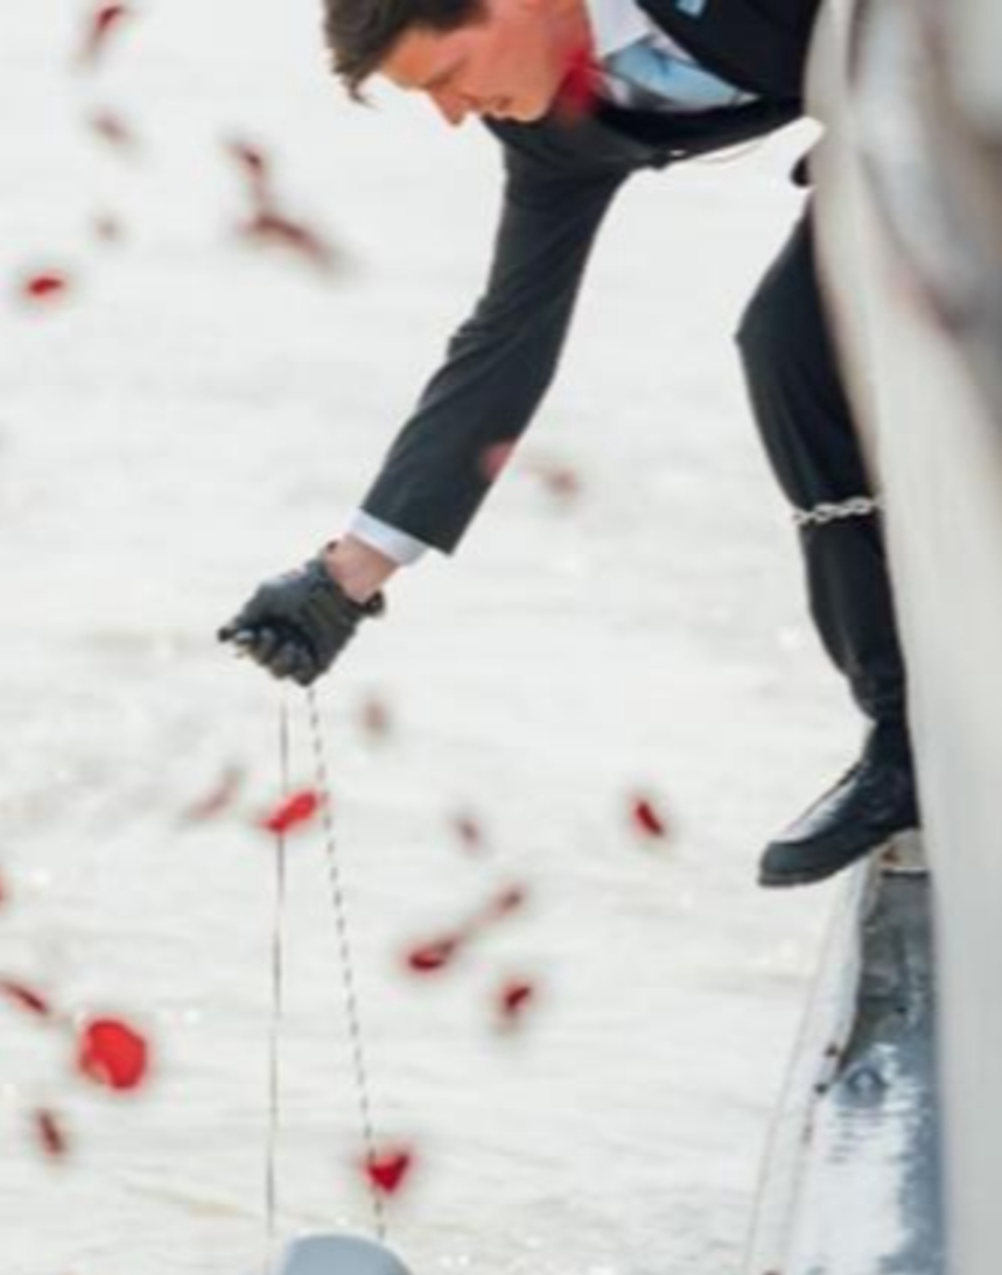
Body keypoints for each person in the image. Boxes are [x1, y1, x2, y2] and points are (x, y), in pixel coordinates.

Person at [218, 0, 919, 887]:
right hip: (894, 124)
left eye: (447, 77)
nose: (452, 114)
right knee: (787, 349)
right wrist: (347, 577)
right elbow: (508, 338)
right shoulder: (548, 127)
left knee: (796, 335)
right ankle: (903, 736)